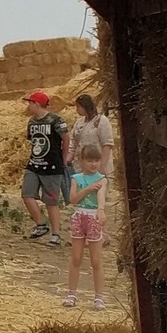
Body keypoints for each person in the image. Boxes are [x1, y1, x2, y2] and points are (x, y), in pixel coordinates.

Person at [62, 141, 109, 309]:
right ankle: (71, 294)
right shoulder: (76, 179)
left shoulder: (102, 180)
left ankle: (99, 297)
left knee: (96, 260)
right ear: (81, 161)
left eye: (96, 160)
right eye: (90, 161)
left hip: (94, 216)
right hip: (79, 215)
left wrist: (101, 210)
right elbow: (72, 199)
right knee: (76, 257)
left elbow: (101, 196)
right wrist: (88, 189)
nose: (94, 164)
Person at [21, 90, 69, 244]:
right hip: (34, 164)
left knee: (51, 201)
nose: (28, 106)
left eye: (30, 103)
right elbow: (33, 140)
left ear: (37, 104)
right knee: (27, 194)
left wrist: (64, 157)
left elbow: (66, 138)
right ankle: (41, 224)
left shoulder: (55, 120)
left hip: (52, 165)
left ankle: (56, 234)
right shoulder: (32, 122)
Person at [67, 93, 114, 180]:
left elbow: (107, 144)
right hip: (80, 167)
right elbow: (73, 142)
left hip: (97, 166)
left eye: (78, 107)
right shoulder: (79, 123)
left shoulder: (102, 121)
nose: (77, 109)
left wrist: (102, 166)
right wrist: (68, 159)